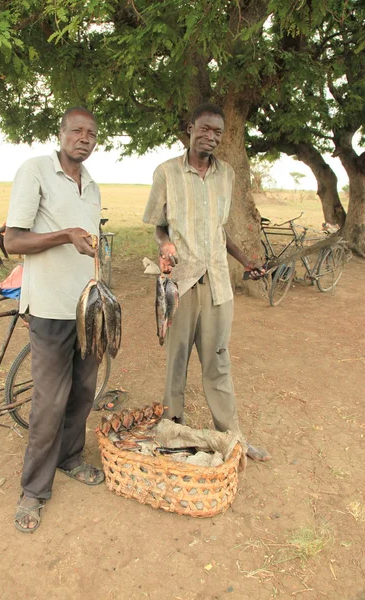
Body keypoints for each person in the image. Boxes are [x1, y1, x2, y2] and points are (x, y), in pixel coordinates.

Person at [143, 103, 270, 462]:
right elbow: (158, 223)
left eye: (218, 132)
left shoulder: (226, 174)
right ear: (190, 128)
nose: (211, 137)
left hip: (217, 284)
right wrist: (164, 243)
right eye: (206, 129)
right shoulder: (167, 172)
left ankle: (233, 439)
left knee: (218, 362)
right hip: (180, 284)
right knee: (176, 365)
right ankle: (172, 434)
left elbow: (219, 229)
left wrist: (246, 260)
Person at [5, 107, 104, 533]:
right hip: (48, 307)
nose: (84, 138)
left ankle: (70, 457)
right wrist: (65, 234)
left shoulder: (93, 185)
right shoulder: (36, 171)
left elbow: (91, 246)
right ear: (60, 133)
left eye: (92, 134)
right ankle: (33, 490)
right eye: (77, 131)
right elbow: (12, 240)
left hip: (87, 308)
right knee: (49, 401)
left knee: (83, 390)